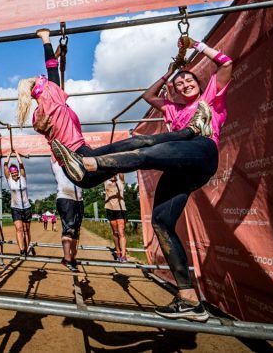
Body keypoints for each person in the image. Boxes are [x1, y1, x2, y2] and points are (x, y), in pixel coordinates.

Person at [50, 36, 232, 322]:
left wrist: (195, 46)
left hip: (202, 151)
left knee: (145, 150)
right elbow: (149, 96)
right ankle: (189, 300)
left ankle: (88, 162)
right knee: (161, 222)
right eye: (180, 84)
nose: (185, 84)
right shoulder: (173, 109)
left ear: (199, 83)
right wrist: (170, 72)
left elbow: (226, 63)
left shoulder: (210, 96)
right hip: (181, 166)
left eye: (189, 80)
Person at [16, 29, 199, 190]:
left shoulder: (40, 113)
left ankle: (75, 164)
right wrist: (45, 38)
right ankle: (190, 132)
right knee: (140, 142)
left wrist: (56, 53)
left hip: (80, 169)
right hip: (82, 157)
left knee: (134, 157)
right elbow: (52, 68)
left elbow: (53, 73)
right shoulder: (52, 98)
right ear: (46, 89)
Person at [51, 159, 83, 272]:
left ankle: (72, 258)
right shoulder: (58, 164)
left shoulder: (77, 163)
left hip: (79, 199)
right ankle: (67, 259)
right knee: (69, 229)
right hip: (65, 197)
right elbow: (53, 152)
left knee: (76, 231)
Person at [4, 152, 33, 256]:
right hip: (15, 208)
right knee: (19, 229)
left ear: (18, 172)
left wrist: (16, 154)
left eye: (15, 172)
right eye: (12, 173)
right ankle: (22, 250)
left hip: (26, 207)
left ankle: (27, 247)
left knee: (26, 230)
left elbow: (21, 165)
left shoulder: (23, 178)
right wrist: (9, 154)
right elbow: (5, 166)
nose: (14, 174)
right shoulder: (9, 180)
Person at [104, 174, 128, 263]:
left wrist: (118, 168)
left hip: (121, 209)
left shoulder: (120, 181)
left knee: (121, 232)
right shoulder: (106, 181)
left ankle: (124, 255)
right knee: (115, 232)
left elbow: (122, 173)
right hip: (110, 208)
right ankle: (118, 251)